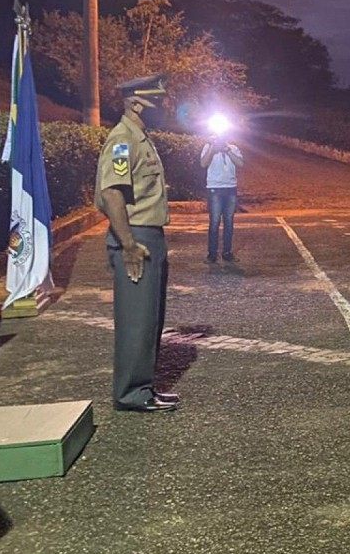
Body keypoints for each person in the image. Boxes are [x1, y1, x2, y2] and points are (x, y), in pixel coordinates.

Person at [94, 74, 179, 412]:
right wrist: (127, 244)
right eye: (157, 101)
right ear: (136, 102)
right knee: (136, 321)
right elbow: (111, 193)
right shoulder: (122, 140)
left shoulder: (141, 137)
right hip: (137, 237)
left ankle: (144, 387)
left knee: (150, 320)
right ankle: (131, 393)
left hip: (150, 234)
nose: (163, 107)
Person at [199, 131, 243, 264]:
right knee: (214, 221)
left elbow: (240, 164)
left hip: (230, 188)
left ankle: (227, 253)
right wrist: (213, 147)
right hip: (214, 188)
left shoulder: (233, 148)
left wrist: (228, 150)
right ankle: (212, 254)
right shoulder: (208, 147)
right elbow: (203, 163)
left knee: (229, 222)